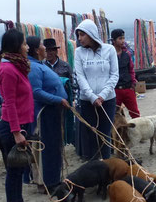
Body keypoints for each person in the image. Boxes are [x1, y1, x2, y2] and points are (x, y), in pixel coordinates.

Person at [0, 29, 40, 202]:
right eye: (24, 44)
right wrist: (16, 132)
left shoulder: (16, 66)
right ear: (15, 46)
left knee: (20, 167)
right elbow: (10, 103)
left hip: (23, 123)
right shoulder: (7, 69)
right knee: (13, 169)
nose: (27, 47)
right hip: (15, 127)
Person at [27, 36, 70, 192]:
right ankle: (48, 183)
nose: (44, 48)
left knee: (53, 146)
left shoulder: (38, 65)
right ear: (36, 50)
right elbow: (36, 92)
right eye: (42, 45)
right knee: (48, 148)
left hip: (52, 111)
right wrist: (59, 99)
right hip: (45, 113)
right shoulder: (33, 67)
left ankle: (52, 179)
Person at [74, 19, 119, 160]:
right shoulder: (79, 52)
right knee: (91, 135)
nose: (80, 38)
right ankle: (93, 169)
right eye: (78, 35)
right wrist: (92, 97)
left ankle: (106, 167)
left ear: (91, 33)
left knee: (105, 135)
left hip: (107, 100)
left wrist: (103, 95)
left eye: (83, 35)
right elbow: (80, 77)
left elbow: (114, 74)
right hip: (87, 101)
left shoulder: (109, 49)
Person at [111, 29, 140, 119]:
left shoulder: (127, 54)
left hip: (128, 88)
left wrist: (133, 83)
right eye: (120, 38)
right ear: (113, 40)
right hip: (115, 90)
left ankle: (137, 132)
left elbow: (131, 70)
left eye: (123, 38)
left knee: (135, 113)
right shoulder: (109, 54)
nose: (123, 41)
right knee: (113, 115)